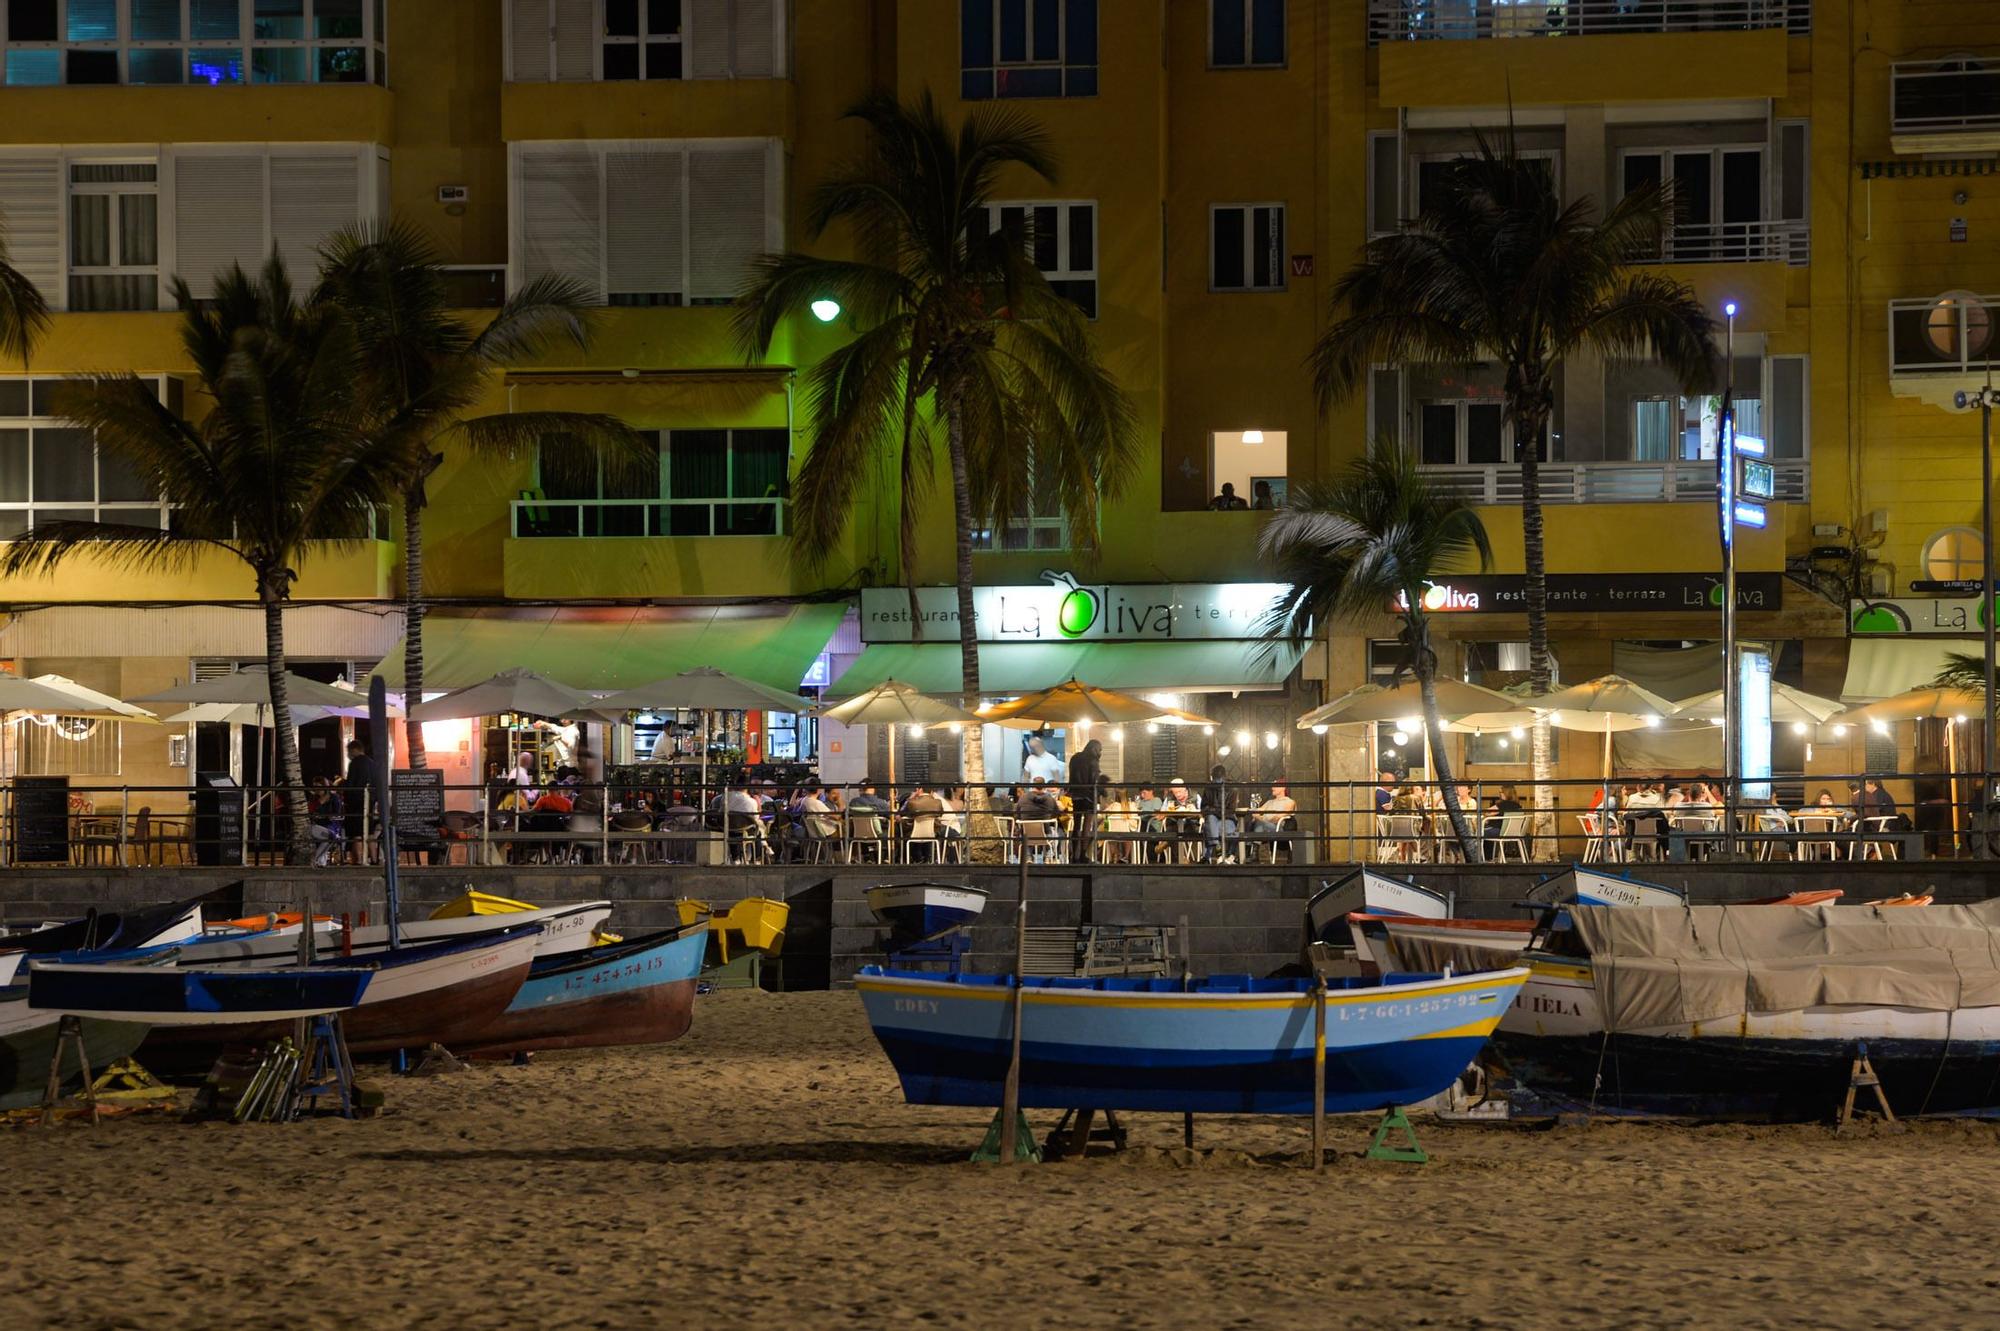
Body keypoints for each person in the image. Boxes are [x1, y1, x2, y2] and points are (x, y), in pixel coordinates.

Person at [1066, 737, 1104, 862]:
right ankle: (1083, 854)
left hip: (1076, 795)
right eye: (1100, 749)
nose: (1100, 752)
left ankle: (1073, 855)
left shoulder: (1075, 758)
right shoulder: (1093, 761)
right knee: (1087, 826)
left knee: (1076, 825)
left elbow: (1071, 776)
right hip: (1089, 796)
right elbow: (1094, 780)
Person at [340, 739, 377, 864]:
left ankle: (359, 859)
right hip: (370, 800)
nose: (348, 754)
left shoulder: (355, 763)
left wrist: (343, 784)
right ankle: (375, 859)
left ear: (354, 750)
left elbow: (351, 784)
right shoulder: (372, 763)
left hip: (356, 801)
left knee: (356, 833)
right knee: (370, 832)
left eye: (349, 751)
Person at [1202, 763, 1237, 862]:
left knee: (1208, 826)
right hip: (1213, 818)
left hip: (1227, 819)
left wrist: (1214, 811)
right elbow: (1203, 807)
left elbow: (1231, 809)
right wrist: (1214, 812)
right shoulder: (1208, 788)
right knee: (1210, 819)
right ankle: (1220, 852)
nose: (1216, 782)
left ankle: (1209, 856)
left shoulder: (1232, 789)